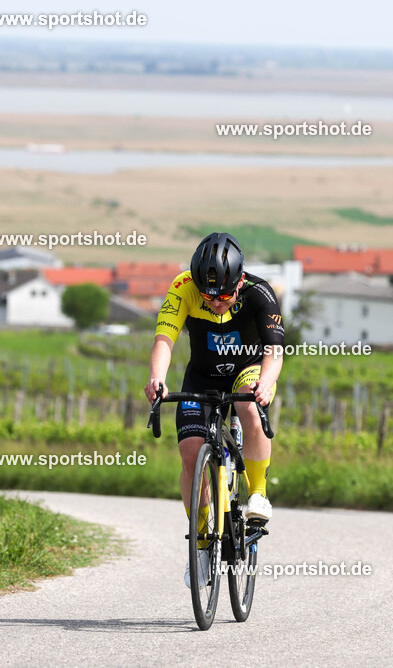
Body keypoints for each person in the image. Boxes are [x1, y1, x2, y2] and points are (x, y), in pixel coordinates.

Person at [144, 232, 283, 588]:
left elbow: (274, 350)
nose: (216, 303)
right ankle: (203, 542)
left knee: (247, 406)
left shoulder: (260, 292)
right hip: (202, 376)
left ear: (240, 281)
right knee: (191, 453)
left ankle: (257, 492)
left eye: (224, 295)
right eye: (208, 297)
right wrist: (157, 378)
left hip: (248, 370)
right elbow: (164, 339)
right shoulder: (183, 287)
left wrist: (266, 383)